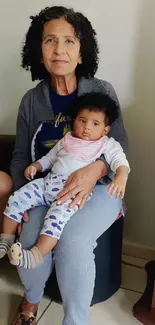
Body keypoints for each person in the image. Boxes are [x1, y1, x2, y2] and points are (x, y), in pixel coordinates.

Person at [6, 6, 129, 325]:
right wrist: (24, 199)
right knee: (30, 237)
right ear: (39, 50)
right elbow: (21, 156)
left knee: (73, 241)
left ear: (81, 51)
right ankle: (31, 301)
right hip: (46, 189)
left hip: (100, 189)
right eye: (50, 40)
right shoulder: (32, 101)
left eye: (69, 41)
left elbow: (121, 147)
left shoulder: (101, 92)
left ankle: (75, 320)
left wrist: (96, 170)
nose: (59, 49)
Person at [0, 93, 130, 269]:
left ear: (105, 130)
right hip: (47, 183)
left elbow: (120, 161)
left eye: (95, 123)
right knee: (17, 198)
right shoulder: (66, 140)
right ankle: (5, 240)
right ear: (74, 121)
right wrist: (37, 166)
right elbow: (50, 158)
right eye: (82, 120)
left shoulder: (107, 144)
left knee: (54, 220)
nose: (87, 128)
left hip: (70, 193)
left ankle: (36, 255)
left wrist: (121, 176)